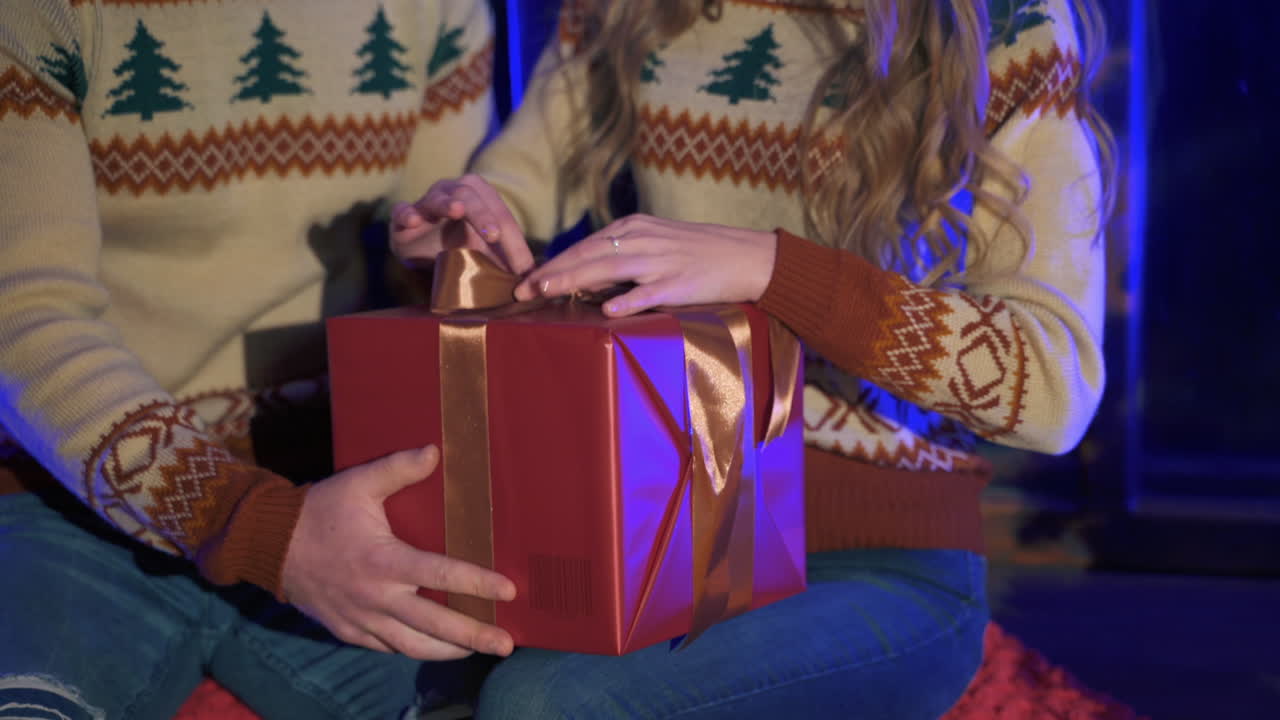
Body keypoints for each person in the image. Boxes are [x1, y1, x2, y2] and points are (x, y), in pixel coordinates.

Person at [391, 0, 1115, 717]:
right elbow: (520, 188)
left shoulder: (1011, 22)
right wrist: (468, 226)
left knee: (542, 704)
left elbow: (1055, 389)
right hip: (649, 525)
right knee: (375, 661)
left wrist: (775, 271)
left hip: (883, 553)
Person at [0, 2, 523, 719]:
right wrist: (259, 527)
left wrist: (446, 263)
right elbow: (23, 317)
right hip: (71, 493)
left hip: (337, 488)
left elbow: (431, 294)